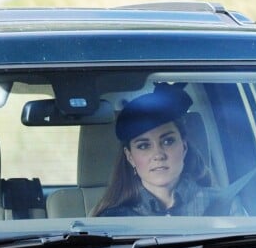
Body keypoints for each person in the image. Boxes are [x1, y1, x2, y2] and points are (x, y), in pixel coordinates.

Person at [92, 83, 244, 217]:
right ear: (130, 157)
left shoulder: (227, 207)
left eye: (167, 141)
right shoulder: (112, 220)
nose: (158, 154)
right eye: (144, 146)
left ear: (184, 147)